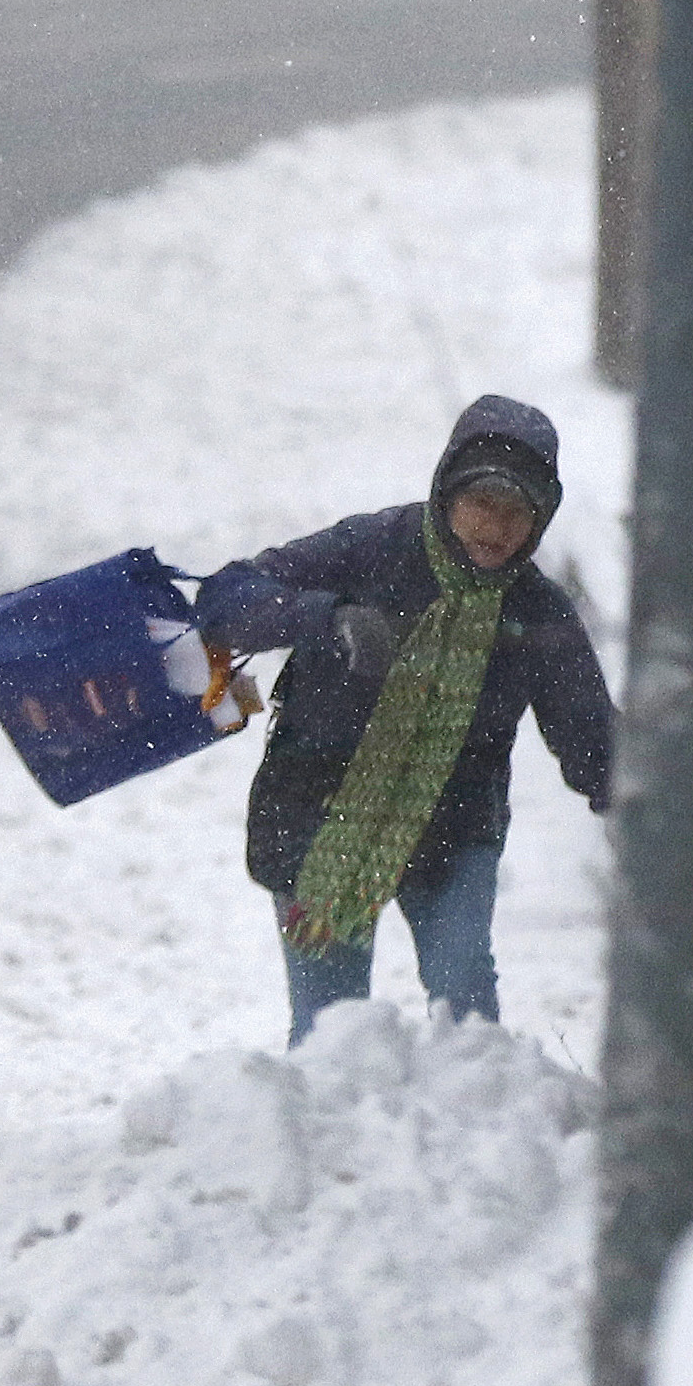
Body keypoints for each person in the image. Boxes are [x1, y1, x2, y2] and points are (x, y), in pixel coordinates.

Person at [194, 395, 616, 1045]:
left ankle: (479, 1133)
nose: (494, 526)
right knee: (328, 1032)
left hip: (452, 834)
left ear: (540, 520)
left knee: (466, 1001)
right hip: (320, 818)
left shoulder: (537, 612)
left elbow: (591, 736)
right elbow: (225, 598)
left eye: (516, 510)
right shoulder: (371, 549)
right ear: (446, 492)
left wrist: (661, 815)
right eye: (481, 502)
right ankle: (324, 1142)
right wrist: (327, 620)